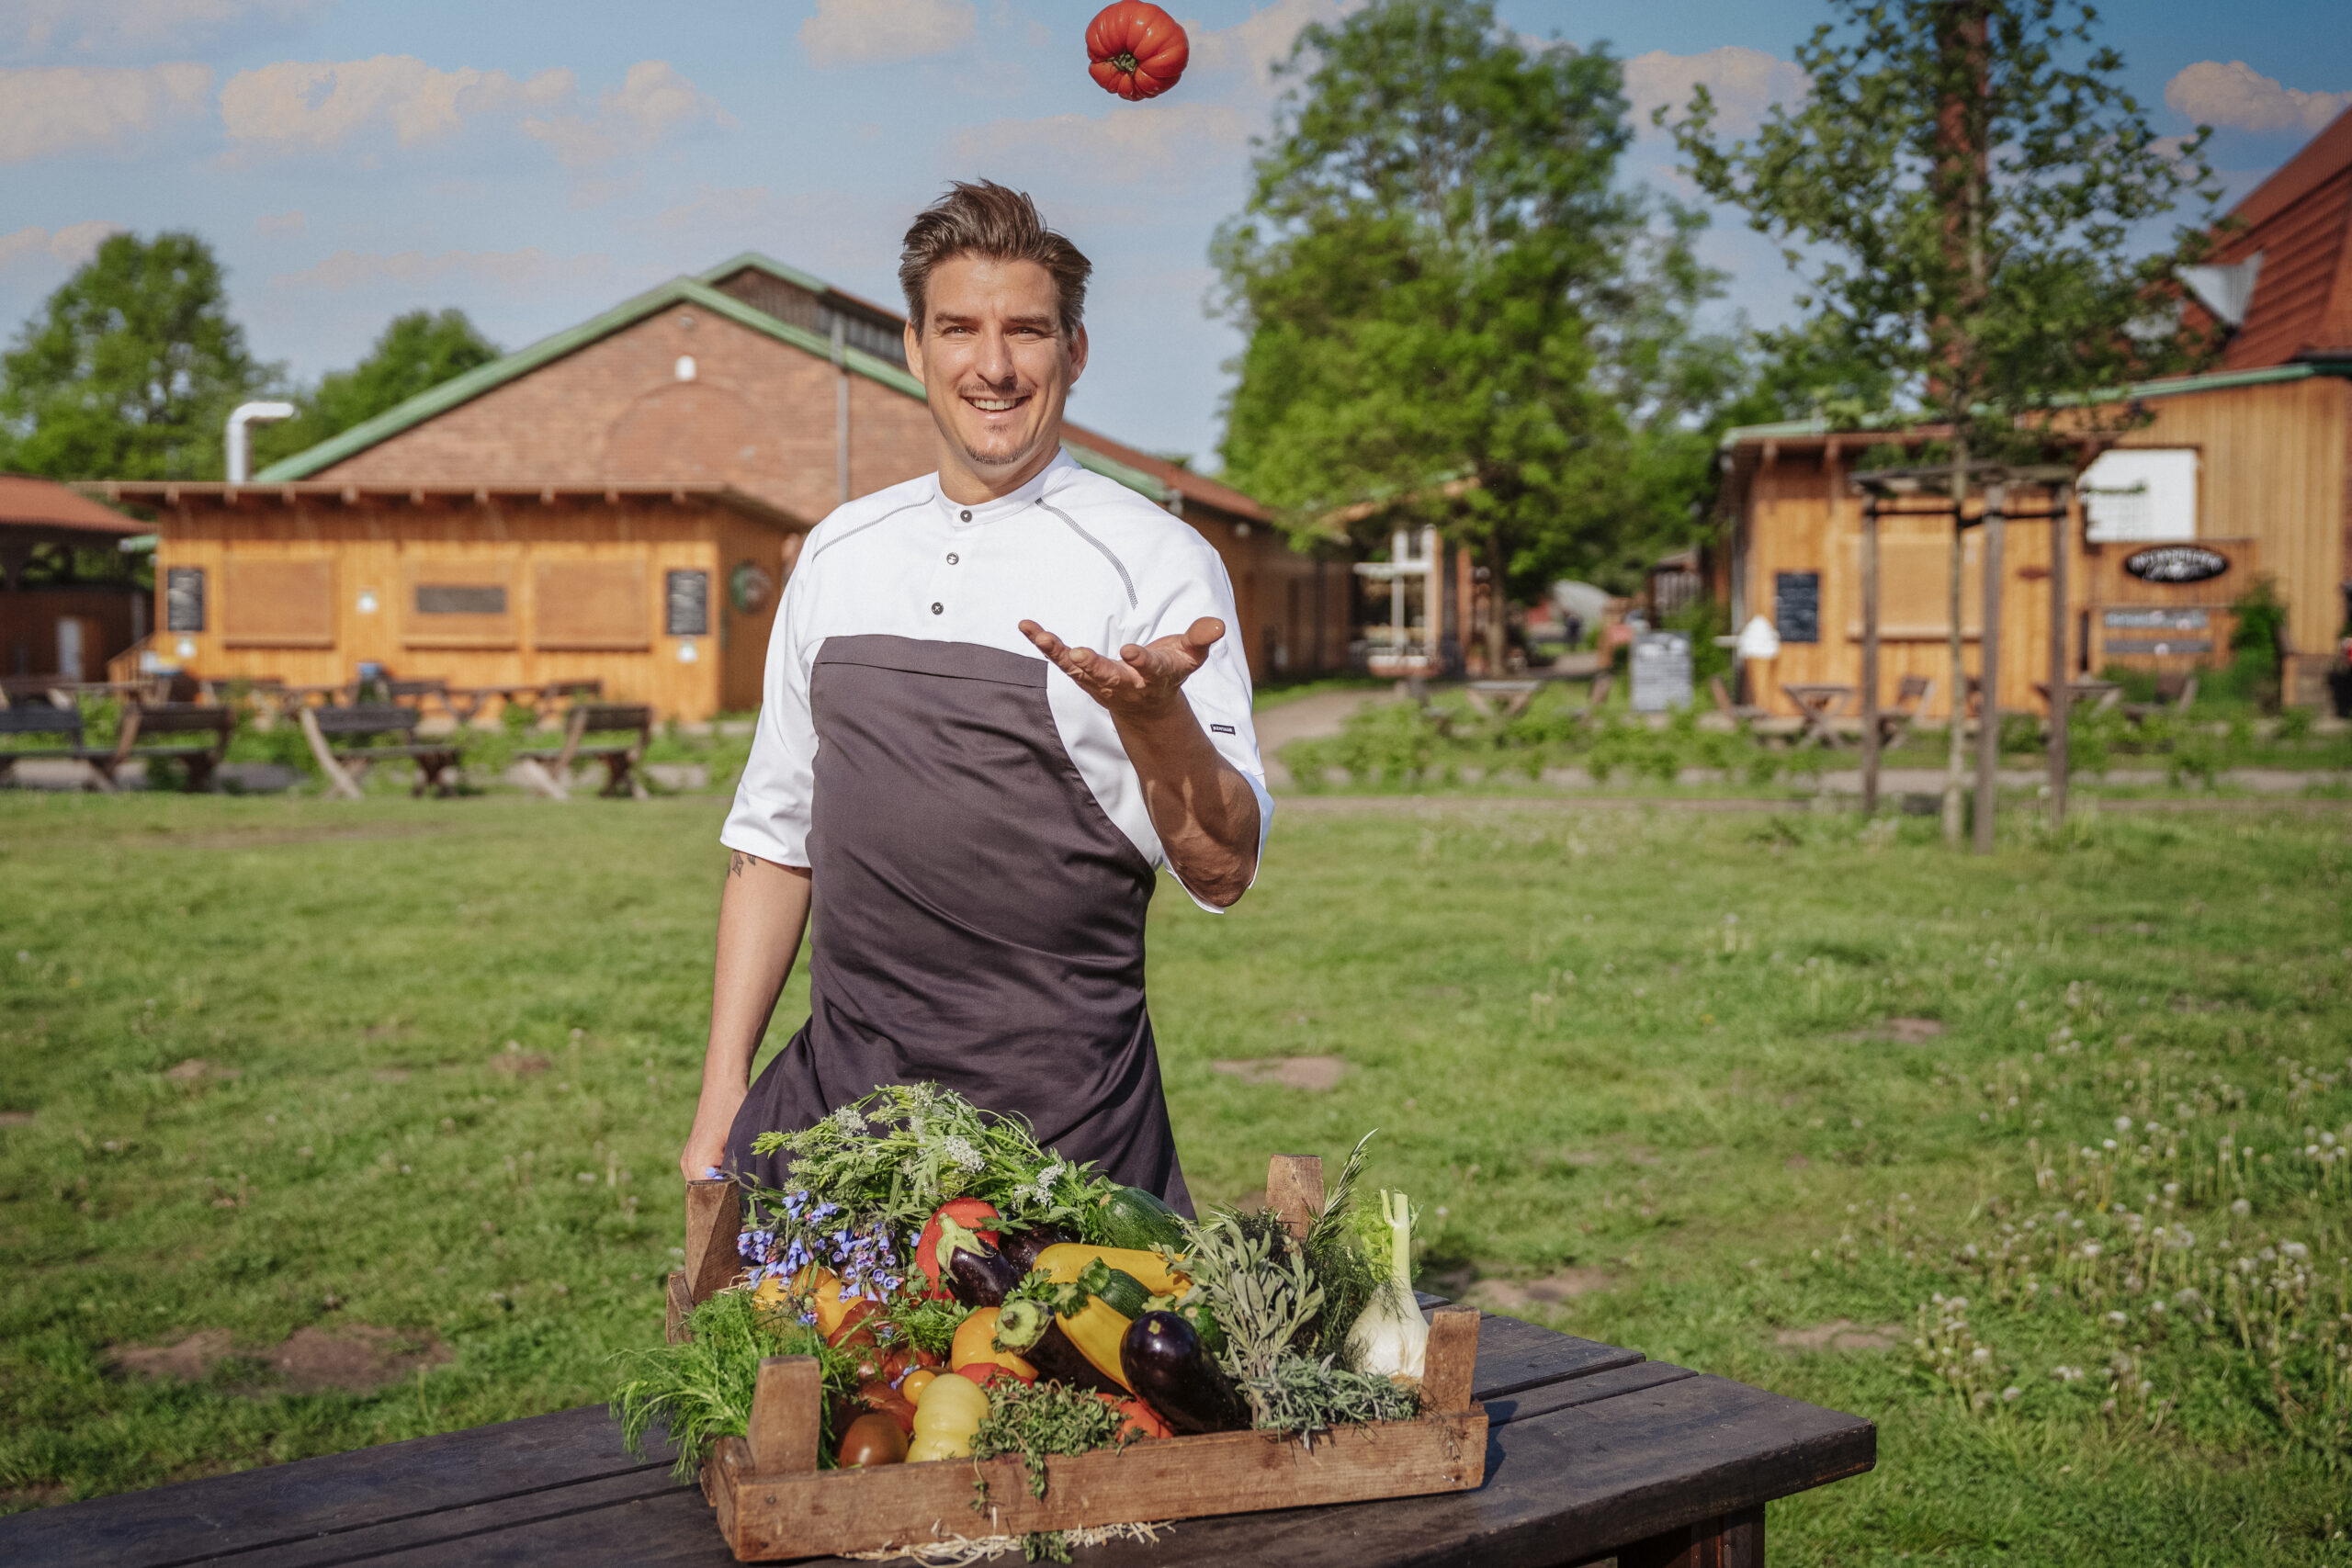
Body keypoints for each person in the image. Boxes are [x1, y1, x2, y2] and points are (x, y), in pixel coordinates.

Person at [675, 181, 1271, 1213]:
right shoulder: (838, 551)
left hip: (1065, 1141)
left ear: (1073, 352)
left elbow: (1224, 871)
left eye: (1026, 331)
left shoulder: (1156, 564)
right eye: (959, 328)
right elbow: (773, 840)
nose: (992, 366)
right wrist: (721, 1092)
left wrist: (1155, 720)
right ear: (912, 347)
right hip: (839, 1124)